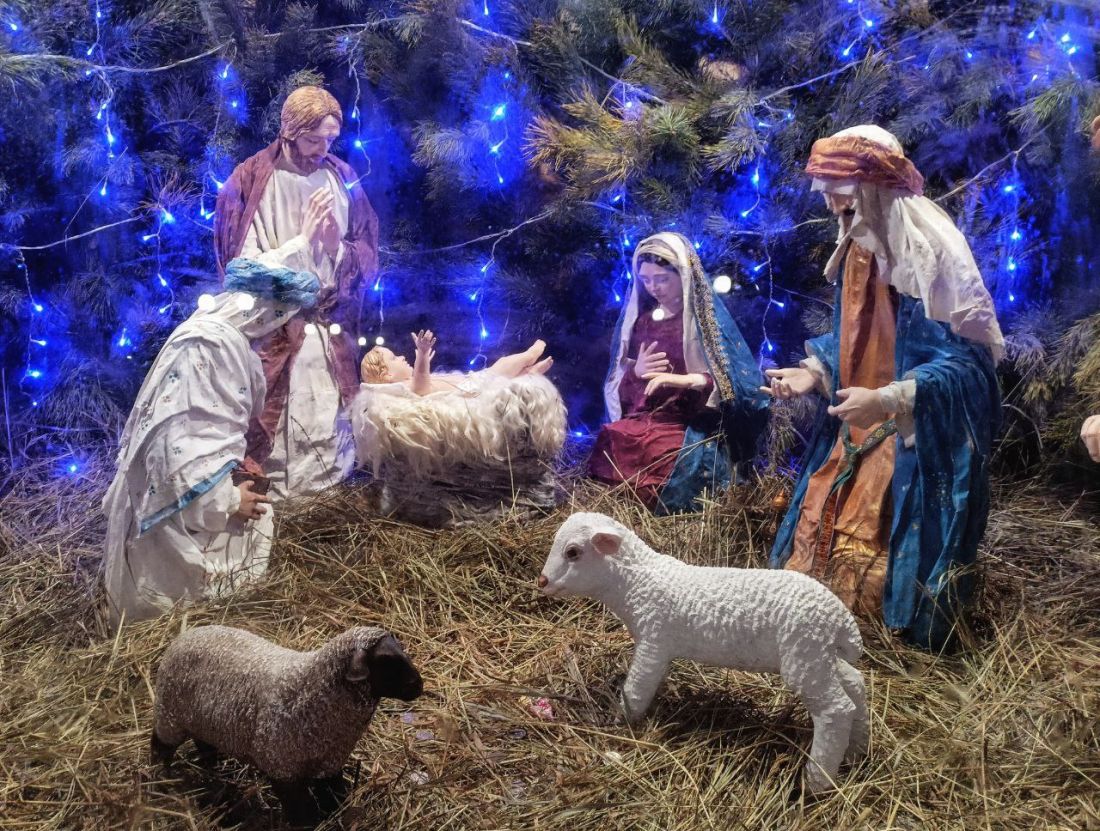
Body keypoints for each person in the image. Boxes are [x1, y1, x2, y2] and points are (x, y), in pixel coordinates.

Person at [766, 125, 1004, 651]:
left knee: (870, 568)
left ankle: (881, 640)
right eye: (827, 194)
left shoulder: (926, 256)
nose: (832, 207)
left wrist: (889, 399)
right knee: (810, 537)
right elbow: (855, 338)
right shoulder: (859, 248)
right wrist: (815, 372)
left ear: (875, 190)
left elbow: (967, 367)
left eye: (842, 195)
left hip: (907, 437)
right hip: (856, 427)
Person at [102, 260, 321, 625]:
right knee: (255, 524)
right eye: (280, 323)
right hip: (172, 512)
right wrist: (228, 500)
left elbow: (208, 432)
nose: (276, 337)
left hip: (170, 488)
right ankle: (200, 622)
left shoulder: (210, 334)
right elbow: (183, 447)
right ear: (266, 313)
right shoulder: (219, 346)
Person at [214, 85, 380, 501]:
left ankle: (325, 487)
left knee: (325, 413)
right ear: (289, 133)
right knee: (274, 411)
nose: (322, 149)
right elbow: (241, 270)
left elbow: (366, 255)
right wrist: (301, 244)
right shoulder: (250, 180)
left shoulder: (342, 177)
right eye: (313, 140)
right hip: (272, 327)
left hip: (326, 325)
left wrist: (334, 247)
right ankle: (268, 489)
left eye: (330, 140)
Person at [589, 232, 769, 514]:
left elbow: (733, 381)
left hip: (688, 421)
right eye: (646, 280)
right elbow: (627, 390)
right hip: (648, 415)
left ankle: (660, 508)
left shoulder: (704, 325)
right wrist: (636, 372)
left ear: (682, 276)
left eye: (662, 279)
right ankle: (628, 510)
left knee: (663, 452)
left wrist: (688, 380)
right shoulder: (643, 323)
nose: (653, 288)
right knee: (615, 436)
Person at [360, 331, 553, 395]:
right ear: (387, 375)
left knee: (504, 381)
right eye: (394, 358)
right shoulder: (405, 387)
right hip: (472, 387)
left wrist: (424, 360)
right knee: (501, 367)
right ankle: (529, 356)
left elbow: (422, 378)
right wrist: (422, 355)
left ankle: (529, 373)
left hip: (470, 383)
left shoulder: (408, 383)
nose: (402, 357)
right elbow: (421, 382)